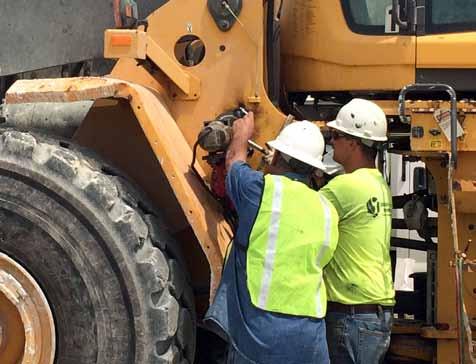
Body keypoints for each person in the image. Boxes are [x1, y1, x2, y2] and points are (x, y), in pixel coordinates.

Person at [204, 112, 339, 363]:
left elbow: (234, 160)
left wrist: (242, 133)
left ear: (276, 155)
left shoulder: (260, 191)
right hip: (310, 333)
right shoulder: (327, 209)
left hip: (262, 329)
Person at [320, 98, 395, 364]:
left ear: (353, 143)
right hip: (374, 312)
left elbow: (299, 214)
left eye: (335, 135)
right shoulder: (378, 184)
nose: (331, 142)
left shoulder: (345, 187)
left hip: (351, 314)